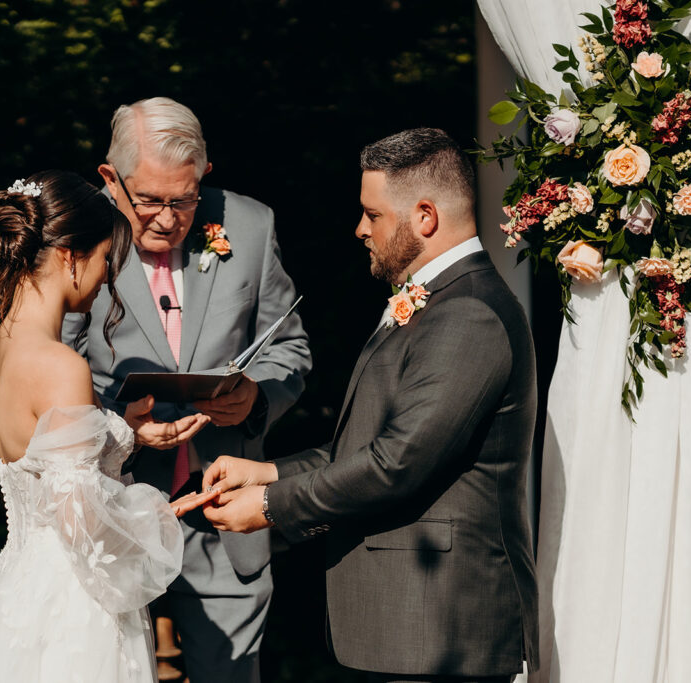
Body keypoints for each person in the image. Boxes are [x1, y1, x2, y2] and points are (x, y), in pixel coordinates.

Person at [202, 129, 539, 683]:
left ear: (425, 216)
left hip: (442, 628)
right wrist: (266, 469)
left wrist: (270, 504)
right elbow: (369, 447)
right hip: (410, 631)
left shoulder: (469, 314)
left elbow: (397, 463)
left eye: (372, 214)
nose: (360, 228)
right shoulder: (438, 301)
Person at [62, 97, 312, 683]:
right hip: (112, 511)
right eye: (150, 200)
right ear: (109, 179)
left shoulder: (250, 225)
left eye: (186, 197)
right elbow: (51, 356)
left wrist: (256, 399)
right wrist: (119, 427)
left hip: (224, 509)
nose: (170, 219)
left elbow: (290, 348)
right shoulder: (76, 233)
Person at [0, 170, 217, 683]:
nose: (107, 279)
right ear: (71, 256)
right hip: (75, 604)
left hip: (18, 587)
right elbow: (80, 523)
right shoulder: (60, 364)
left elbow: (41, 457)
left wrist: (125, 434)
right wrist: (163, 513)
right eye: (104, 261)